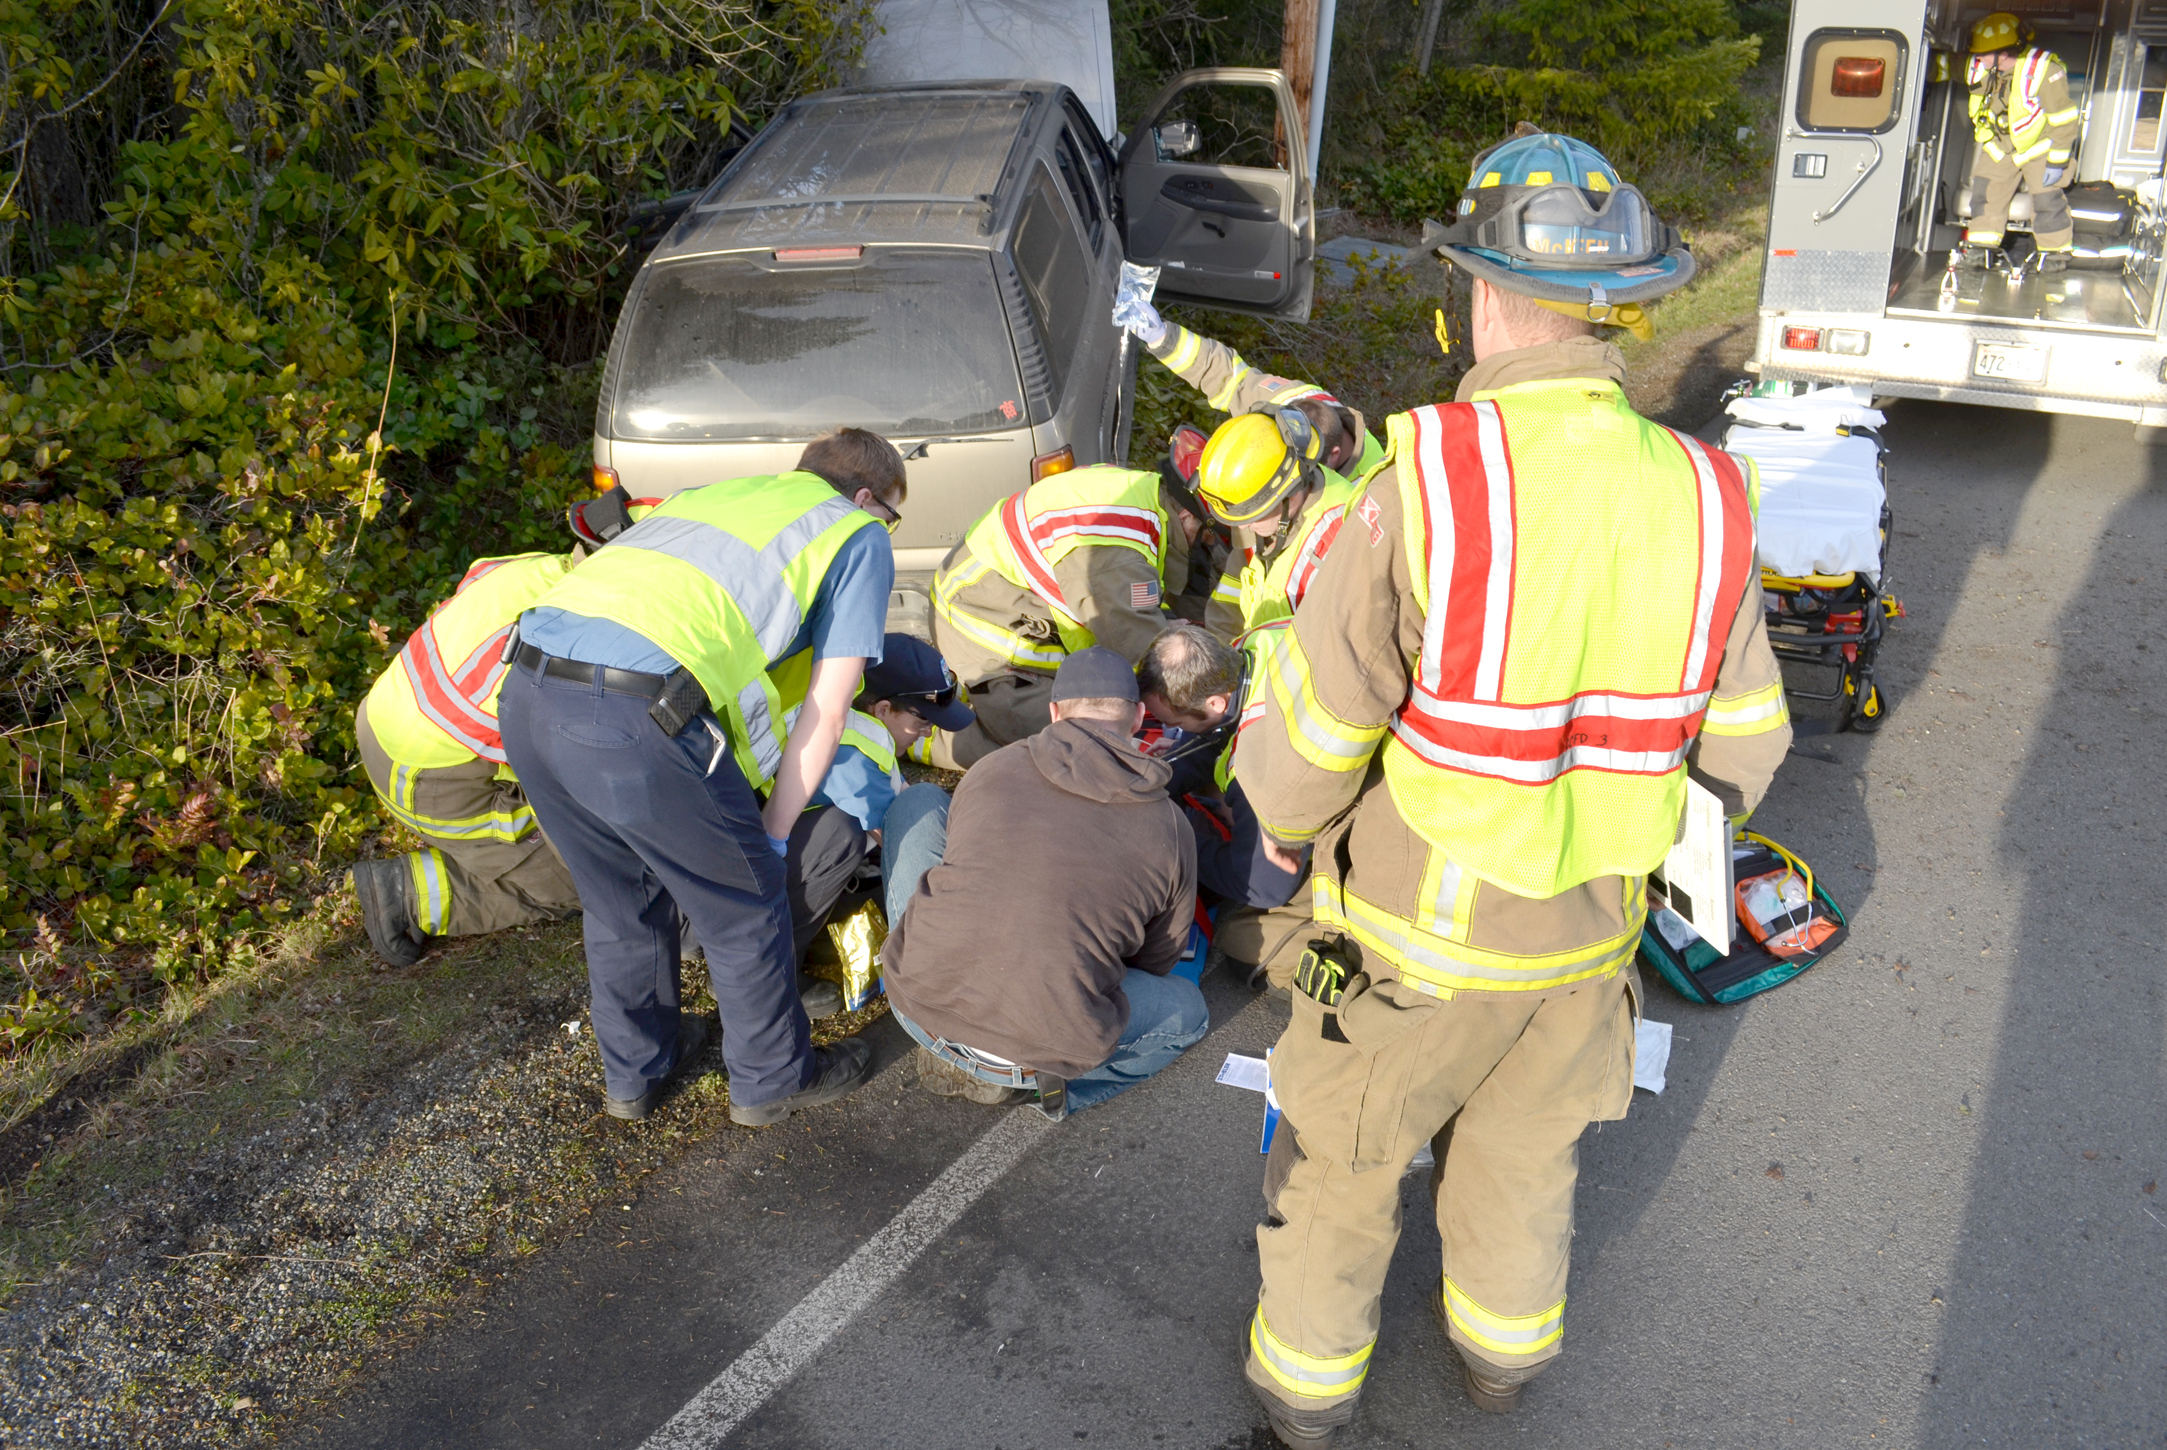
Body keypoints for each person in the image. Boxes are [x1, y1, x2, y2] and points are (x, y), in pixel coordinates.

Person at [1234, 132, 1794, 1447]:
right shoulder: (1708, 495)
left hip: (1410, 945)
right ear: (1623, 306)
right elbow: (1746, 743)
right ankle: (1500, 1365)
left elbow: (1308, 744)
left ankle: (1303, 1405)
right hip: (1590, 936)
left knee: (1338, 1170)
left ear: (1477, 296)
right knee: (1521, 1160)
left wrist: (1285, 837)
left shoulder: (1424, 480)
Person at [497, 427, 904, 1126]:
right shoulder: (851, 532)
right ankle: (771, 1078)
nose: (889, 531)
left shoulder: (709, 497)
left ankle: (637, 1074)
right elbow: (829, 706)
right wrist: (773, 834)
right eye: (893, 516)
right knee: (746, 906)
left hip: (527, 691)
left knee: (621, 901)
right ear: (865, 497)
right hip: (633, 716)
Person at [879, 647, 1206, 1115]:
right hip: (1042, 1050)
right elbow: (1156, 959)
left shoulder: (993, 767)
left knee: (920, 801)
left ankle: (960, 1044)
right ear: (1136, 718)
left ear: (1054, 713)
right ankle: (1055, 1093)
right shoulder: (1170, 826)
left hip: (917, 1006)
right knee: (1188, 1012)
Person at [350, 550, 584, 966]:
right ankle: (408, 894)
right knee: (580, 881)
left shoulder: (544, 567)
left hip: (386, 716)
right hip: (428, 779)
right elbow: (571, 796)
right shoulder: (568, 655)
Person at [1114, 301, 1383, 641]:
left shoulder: (1367, 493)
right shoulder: (1284, 409)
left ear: (1326, 460)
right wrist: (1163, 338)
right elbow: (1227, 375)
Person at [924, 463, 1205, 768]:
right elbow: (1136, 648)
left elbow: (1131, 601)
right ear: (1186, 515)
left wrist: (1164, 628)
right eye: (1205, 532)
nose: (1206, 542)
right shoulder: (1117, 553)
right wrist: (1191, 720)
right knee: (1066, 741)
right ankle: (915, 737)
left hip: (1009, 598)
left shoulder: (1144, 499)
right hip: (979, 617)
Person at [768, 633, 974, 992]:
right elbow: (898, 835)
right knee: (843, 834)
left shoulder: (852, 721)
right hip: (760, 863)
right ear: (882, 709)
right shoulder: (851, 756)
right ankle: (776, 968)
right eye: (923, 722)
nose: (927, 735)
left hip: (780, 843)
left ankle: (815, 928)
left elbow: (904, 797)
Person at [1136, 623, 1302, 932]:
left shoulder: (1256, 764)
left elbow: (1265, 886)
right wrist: (1169, 766)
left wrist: (1169, 842)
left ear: (1215, 703)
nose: (1175, 729)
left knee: (1240, 942)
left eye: (1175, 722)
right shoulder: (1255, 643)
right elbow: (1221, 728)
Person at [1960, 12, 2082, 271]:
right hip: (2001, 144)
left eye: (1983, 53)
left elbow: (2064, 120)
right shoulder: (1981, 66)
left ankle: (2055, 254)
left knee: (2046, 200)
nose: (1977, 58)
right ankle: (1982, 250)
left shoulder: (2044, 71)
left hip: (2039, 146)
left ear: (2004, 53)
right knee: (1985, 193)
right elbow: (1948, 66)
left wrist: (2056, 162)